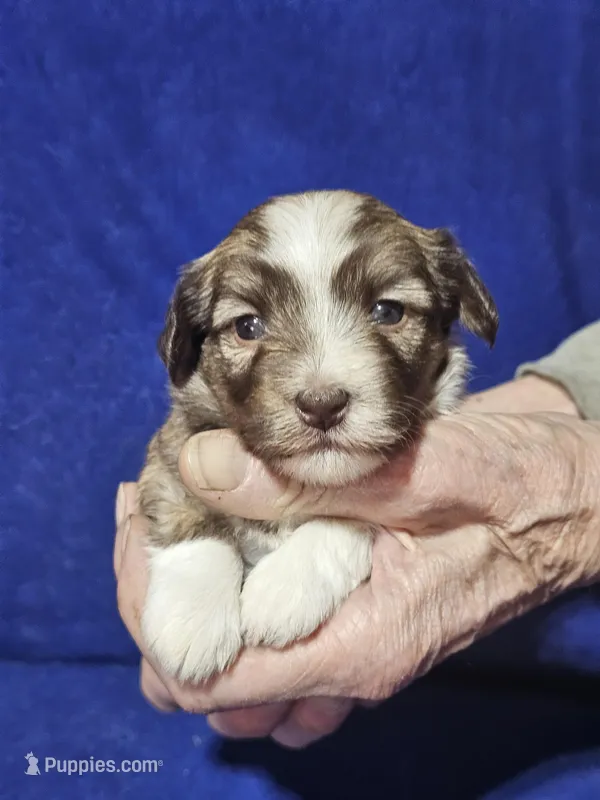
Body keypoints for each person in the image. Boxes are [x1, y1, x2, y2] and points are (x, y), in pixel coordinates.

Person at [115, 321, 600, 749]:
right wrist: (194, 552)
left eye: (386, 313)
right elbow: (171, 469)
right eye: (249, 326)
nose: (320, 387)